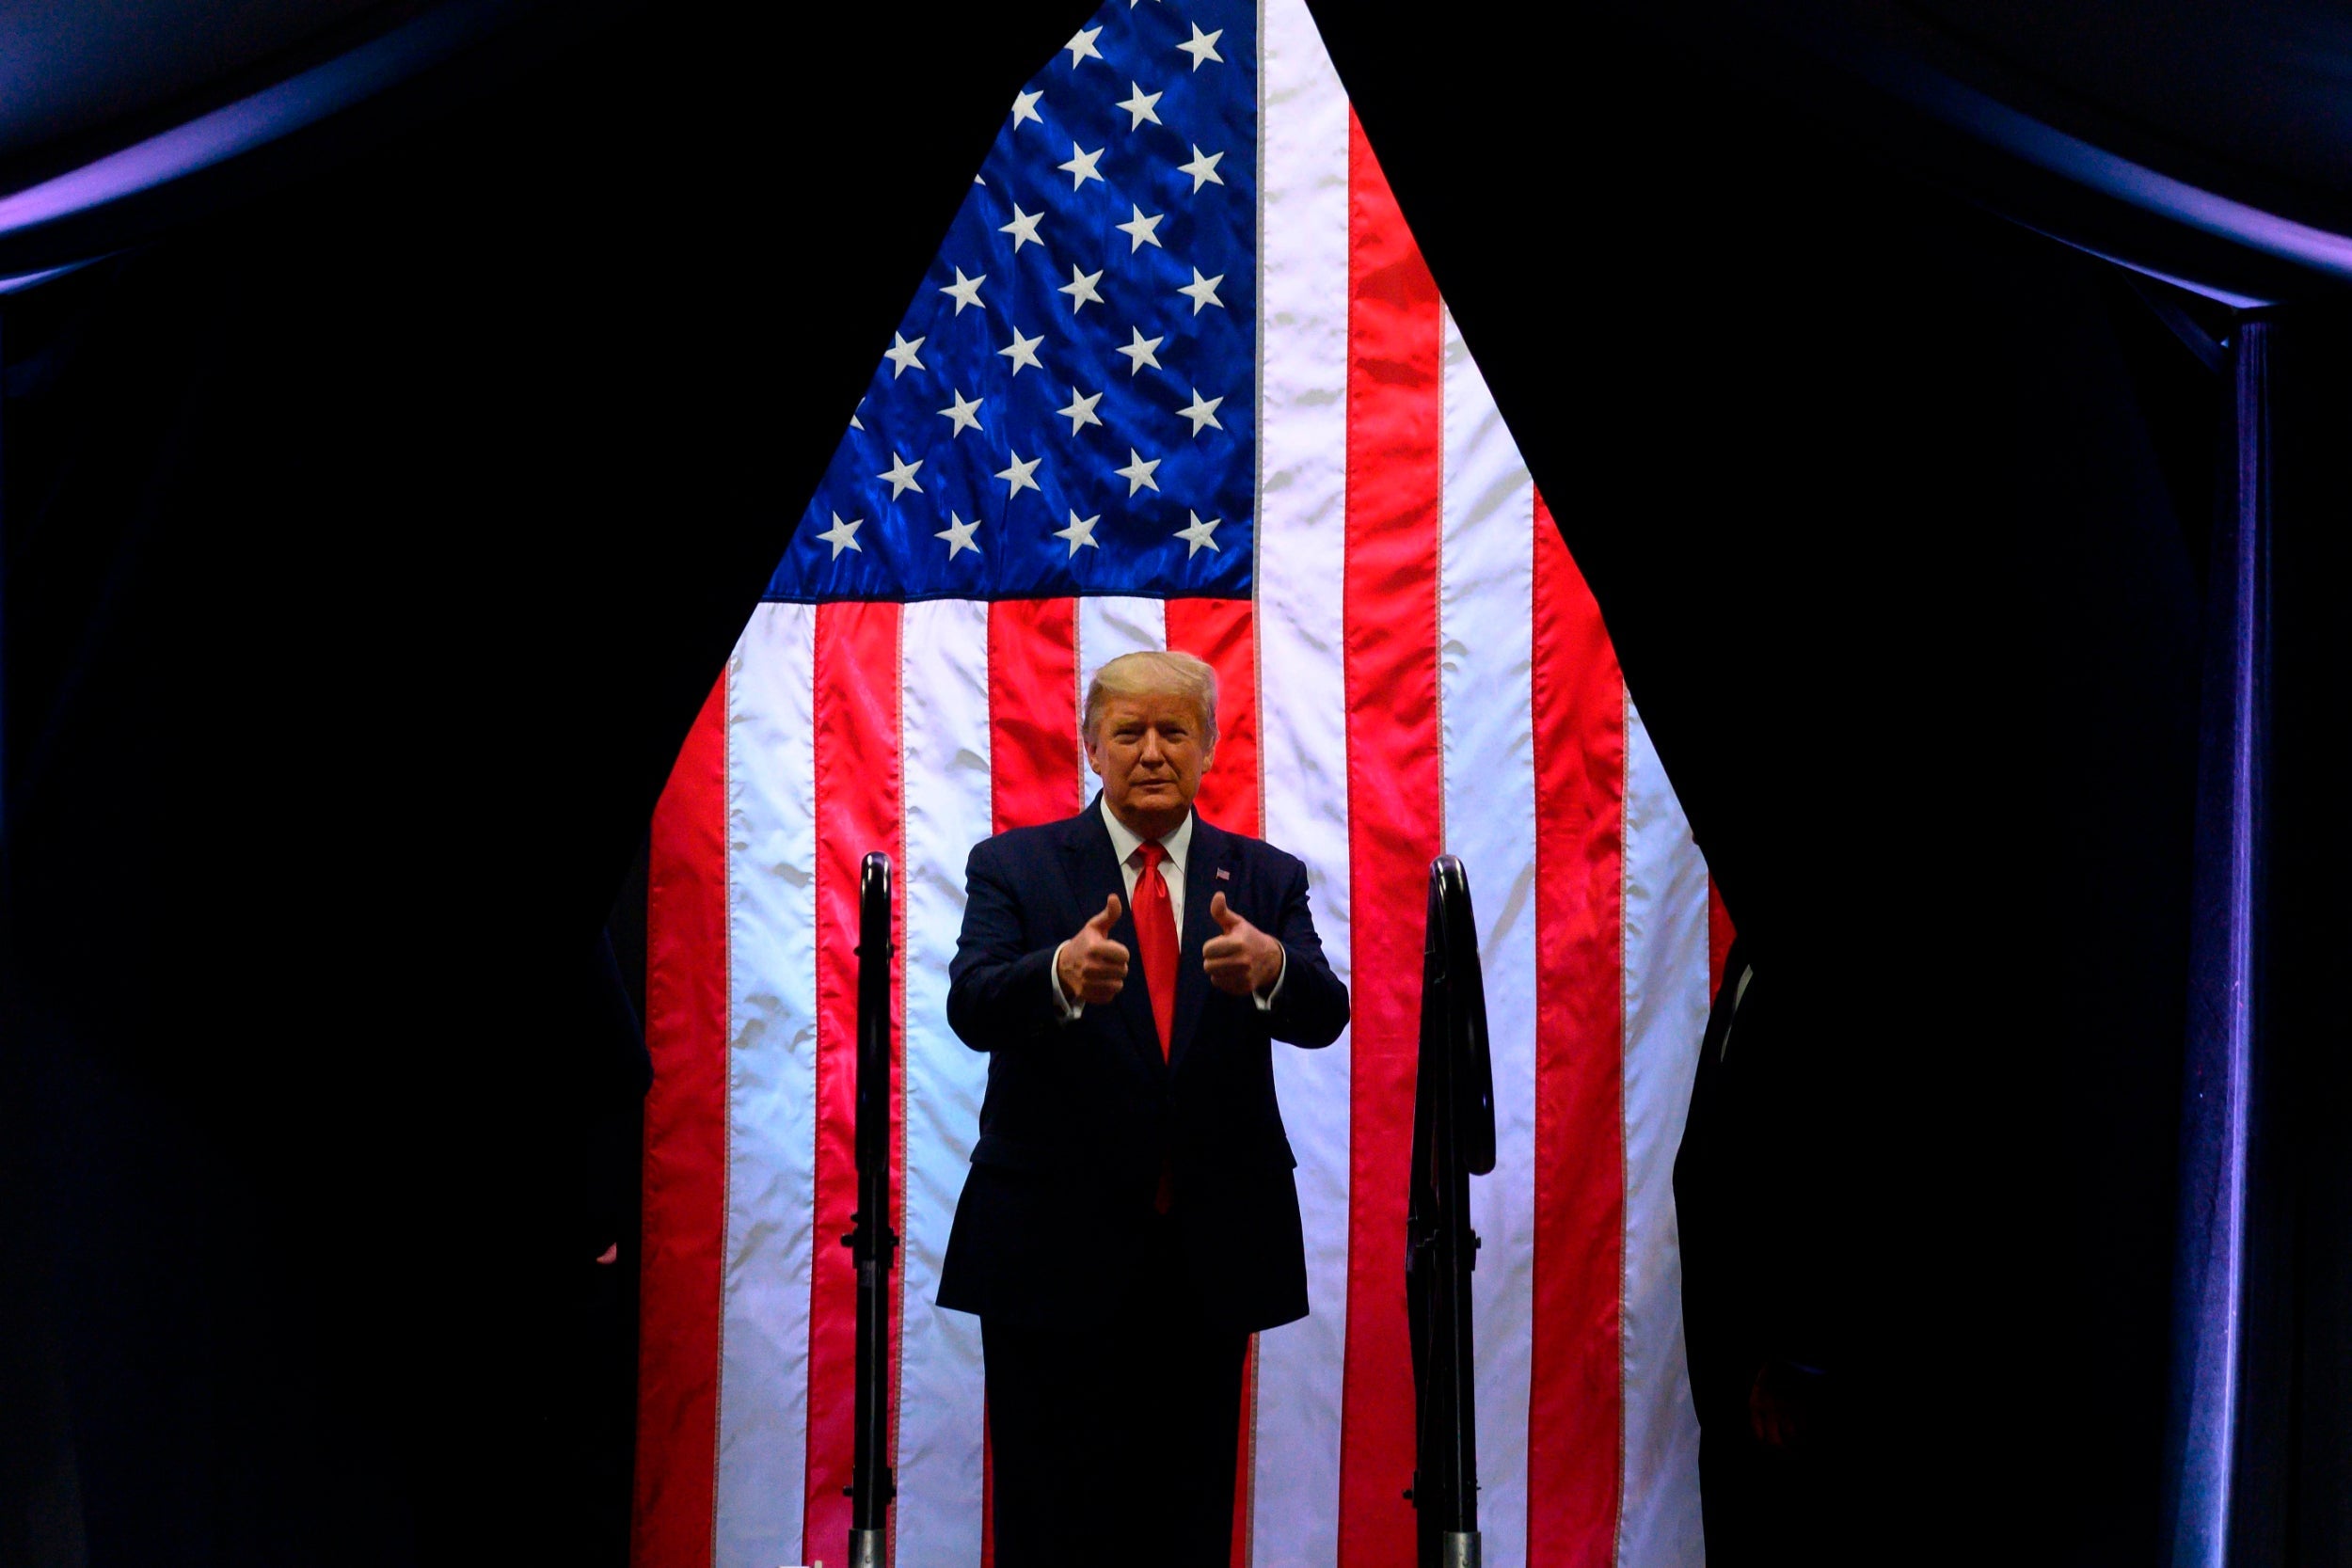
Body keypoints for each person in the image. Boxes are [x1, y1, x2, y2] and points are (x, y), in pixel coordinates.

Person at [938, 649, 1350, 1568]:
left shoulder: (1266, 876)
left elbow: (1327, 1012)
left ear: (1210, 746)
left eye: (1175, 730)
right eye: (1129, 731)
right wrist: (1055, 971)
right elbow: (970, 1003)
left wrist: (1274, 968)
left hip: (1208, 1257)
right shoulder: (1015, 865)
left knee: (1187, 1523)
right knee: (1050, 1525)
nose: (1152, 751)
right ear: (1092, 745)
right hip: (1047, 1256)